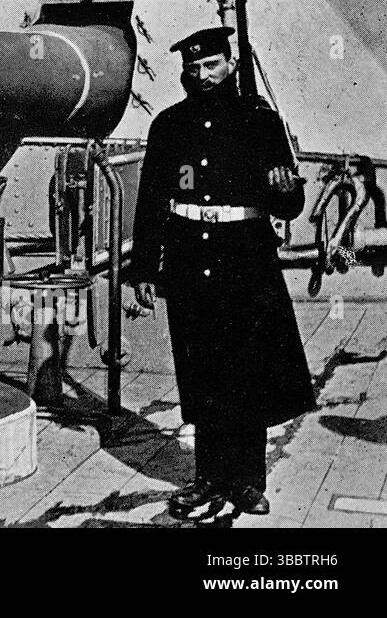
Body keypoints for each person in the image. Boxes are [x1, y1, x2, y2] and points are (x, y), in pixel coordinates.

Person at [128, 26, 315, 521]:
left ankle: (248, 482)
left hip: (245, 262)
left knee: (247, 372)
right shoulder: (169, 126)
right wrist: (144, 266)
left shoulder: (260, 121)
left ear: (230, 65)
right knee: (202, 371)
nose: (203, 76)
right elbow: (151, 201)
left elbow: (291, 202)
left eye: (212, 65)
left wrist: (282, 190)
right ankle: (208, 476)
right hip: (191, 262)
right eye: (194, 68)